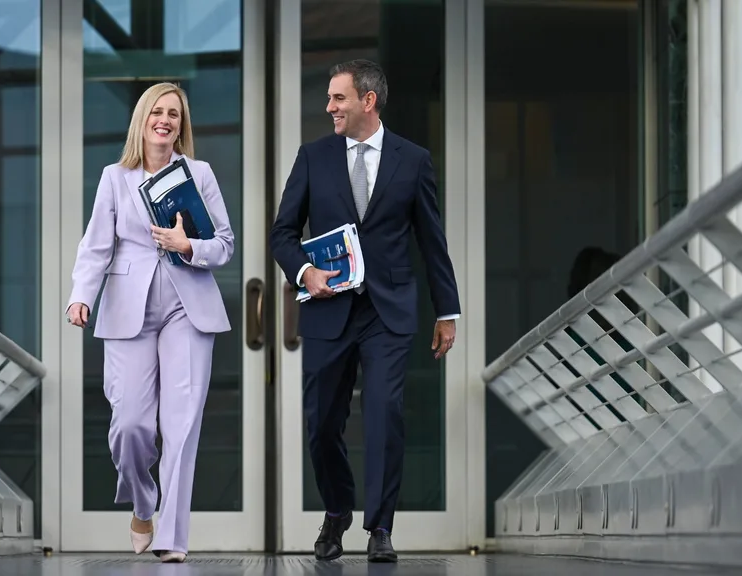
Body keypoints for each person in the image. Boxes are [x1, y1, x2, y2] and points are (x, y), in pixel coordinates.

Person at [270, 59, 461, 563]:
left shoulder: (413, 159)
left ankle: (380, 526)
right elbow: (282, 234)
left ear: (368, 101)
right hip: (330, 309)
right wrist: (305, 273)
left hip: (388, 310)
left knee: (383, 413)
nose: (329, 107)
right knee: (322, 423)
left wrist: (448, 311)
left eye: (338, 98)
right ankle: (337, 511)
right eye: (330, 98)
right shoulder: (313, 157)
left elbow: (431, 239)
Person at [65, 82, 234, 563]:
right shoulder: (114, 177)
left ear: (182, 127)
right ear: (142, 120)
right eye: (157, 112)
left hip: (188, 305)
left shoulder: (198, 174)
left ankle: (172, 538)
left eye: (174, 115)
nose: (165, 120)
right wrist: (82, 295)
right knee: (132, 426)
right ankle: (143, 504)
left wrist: (189, 247)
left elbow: (224, 243)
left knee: (180, 426)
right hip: (127, 309)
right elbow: (95, 244)